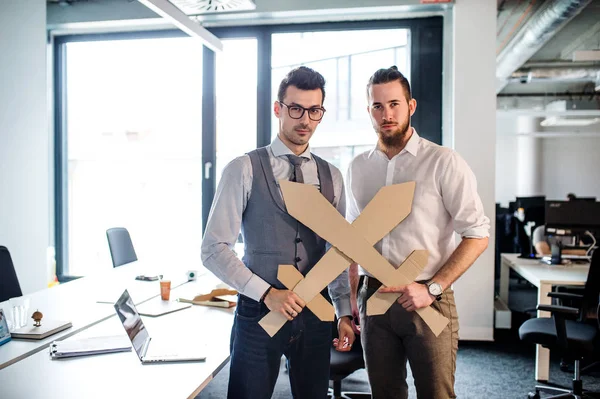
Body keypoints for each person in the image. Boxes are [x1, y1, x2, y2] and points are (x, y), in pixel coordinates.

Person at [201, 66, 355, 399]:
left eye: (315, 111)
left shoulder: (333, 177)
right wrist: (267, 293)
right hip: (259, 313)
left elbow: (338, 251)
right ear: (278, 109)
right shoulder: (243, 168)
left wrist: (343, 310)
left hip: (315, 313)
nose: (305, 120)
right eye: (296, 108)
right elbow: (213, 248)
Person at [347, 66, 490, 399]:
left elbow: (478, 234)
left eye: (395, 104)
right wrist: (353, 296)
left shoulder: (443, 162)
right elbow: (352, 239)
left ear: (411, 106)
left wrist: (434, 287)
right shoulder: (359, 167)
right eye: (378, 106)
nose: (387, 113)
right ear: (369, 111)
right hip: (374, 299)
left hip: (427, 297)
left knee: (436, 394)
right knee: (384, 394)